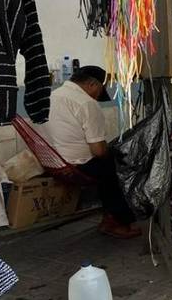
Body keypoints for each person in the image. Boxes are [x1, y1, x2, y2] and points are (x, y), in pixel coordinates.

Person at [45, 66, 141, 239]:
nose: (98, 96)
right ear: (92, 84)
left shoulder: (53, 96)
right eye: (100, 91)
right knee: (120, 163)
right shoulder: (87, 103)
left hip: (54, 162)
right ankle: (118, 221)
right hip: (78, 166)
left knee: (110, 160)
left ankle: (109, 218)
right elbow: (98, 151)